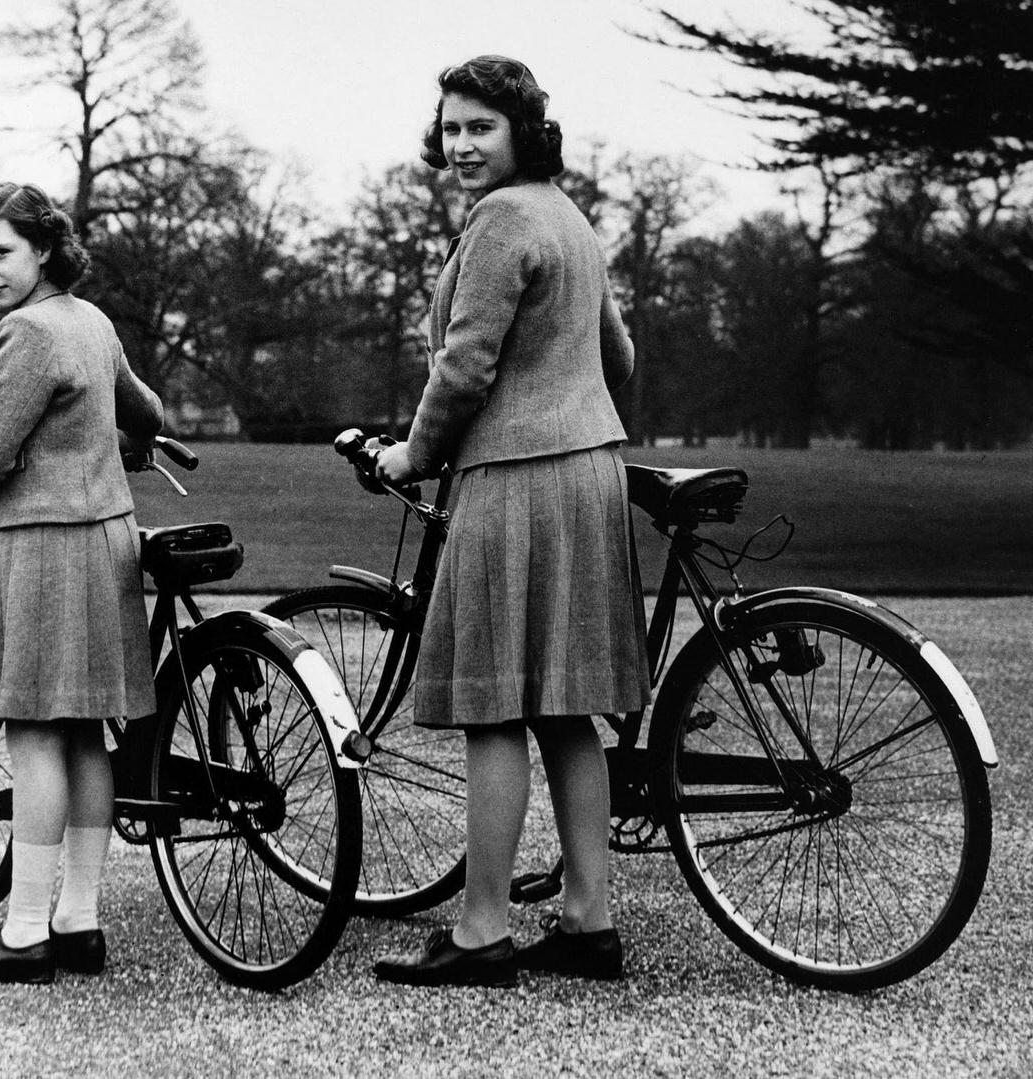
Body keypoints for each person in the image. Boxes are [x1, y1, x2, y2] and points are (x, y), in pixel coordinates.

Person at [372, 56, 649, 988]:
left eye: (479, 127)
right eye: (450, 128)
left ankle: (483, 929)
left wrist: (410, 455)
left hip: (518, 478)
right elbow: (620, 355)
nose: (460, 145)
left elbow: (463, 366)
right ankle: (587, 921)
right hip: (590, 470)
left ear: (521, 130)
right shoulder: (567, 216)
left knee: (492, 708)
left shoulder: (499, 220)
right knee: (567, 708)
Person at [0, 182, 164, 984]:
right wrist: (118, 443)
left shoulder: (23, 331)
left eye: (1, 252)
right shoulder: (89, 319)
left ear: (44, 249)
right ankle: (79, 919)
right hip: (106, 543)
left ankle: (24, 931)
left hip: (40, 548)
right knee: (85, 734)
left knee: (32, 733)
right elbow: (149, 411)